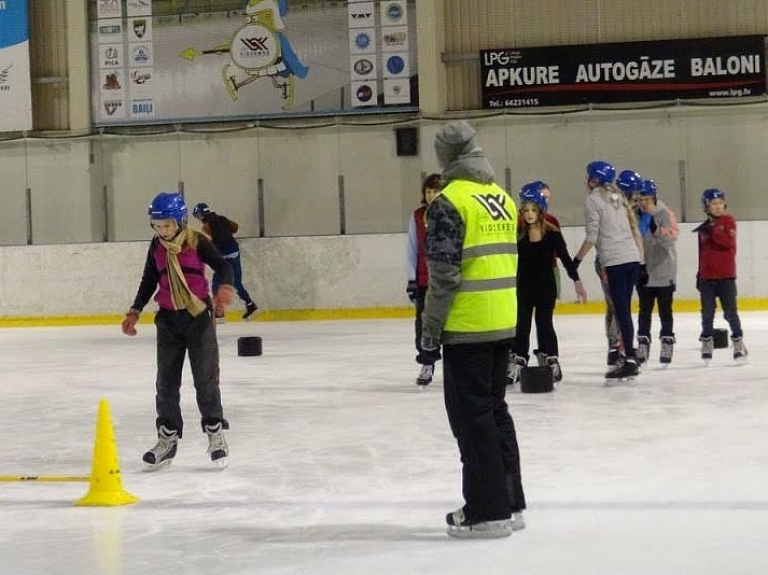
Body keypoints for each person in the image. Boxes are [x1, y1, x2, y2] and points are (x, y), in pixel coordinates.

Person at [420, 120, 526, 538]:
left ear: (446, 157)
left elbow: (444, 276)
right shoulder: (500, 197)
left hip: (468, 325)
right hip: (503, 320)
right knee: (495, 411)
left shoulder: (450, 201)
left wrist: (430, 331)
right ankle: (510, 502)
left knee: (472, 419)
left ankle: (485, 511)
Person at [121, 192, 235, 470]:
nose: (162, 231)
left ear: (181, 221)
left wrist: (224, 288)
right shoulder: (156, 247)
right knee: (166, 384)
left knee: (204, 379)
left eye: (167, 225)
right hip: (168, 321)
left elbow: (223, 265)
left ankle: (215, 433)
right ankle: (167, 440)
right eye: (156, 225)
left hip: (198, 318)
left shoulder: (198, 241)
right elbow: (149, 279)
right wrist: (135, 310)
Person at [507, 182, 586, 385]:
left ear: (541, 210)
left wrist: (576, 280)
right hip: (524, 286)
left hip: (545, 286)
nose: (530, 214)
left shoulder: (551, 232)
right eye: (526, 210)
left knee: (544, 323)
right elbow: (508, 260)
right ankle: (518, 360)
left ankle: (551, 359)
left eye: (534, 210)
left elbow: (564, 257)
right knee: (521, 325)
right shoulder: (517, 234)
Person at [573, 161, 644, 380]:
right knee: (623, 310)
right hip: (631, 259)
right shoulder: (617, 197)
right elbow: (633, 229)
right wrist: (641, 260)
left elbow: (592, 236)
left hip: (615, 262)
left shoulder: (594, 200)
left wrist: (576, 260)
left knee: (620, 310)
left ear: (593, 180)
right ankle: (625, 354)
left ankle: (629, 357)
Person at [694, 188, 747, 362]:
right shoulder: (704, 228)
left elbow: (728, 242)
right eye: (713, 204)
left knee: (731, 312)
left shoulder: (729, 221)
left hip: (726, 277)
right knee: (707, 313)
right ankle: (707, 342)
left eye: (720, 203)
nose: (717, 207)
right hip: (707, 278)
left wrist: (714, 231)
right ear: (706, 206)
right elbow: (702, 253)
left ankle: (738, 341)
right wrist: (699, 273)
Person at [635, 179, 679, 365]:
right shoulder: (634, 215)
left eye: (646, 199)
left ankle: (667, 340)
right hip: (644, 271)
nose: (642, 203)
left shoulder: (665, 213)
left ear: (653, 197)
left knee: (665, 311)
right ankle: (643, 342)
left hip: (663, 271)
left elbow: (671, 239)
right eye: (639, 199)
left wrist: (657, 230)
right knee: (644, 310)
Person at [406, 173, 443, 387]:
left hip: (447, 282)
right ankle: (427, 362)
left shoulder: (452, 215)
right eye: (428, 191)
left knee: (450, 327)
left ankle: (456, 368)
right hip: (424, 281)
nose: (431, 195)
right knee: (423, 325)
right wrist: (412, 279)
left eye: (436, 191)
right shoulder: (418, 217)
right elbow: (412, 249)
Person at [192, 202, 258, 321]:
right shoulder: (222, 218)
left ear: (200, 215)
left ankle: (219, 313)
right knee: (236, 282)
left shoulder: (206, 226)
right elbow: (235, 227)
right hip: (234, 251)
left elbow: (209, 243)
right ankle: (249, 304)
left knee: (217, 284)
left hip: (223, 255)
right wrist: (226, 233)